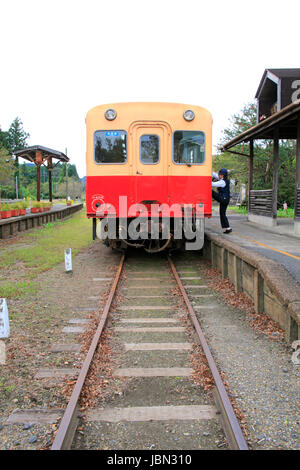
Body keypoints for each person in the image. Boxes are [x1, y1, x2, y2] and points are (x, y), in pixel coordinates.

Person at [212, 168, 232, 234]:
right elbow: (214, 174)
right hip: (226, 199)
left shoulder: (222, 182)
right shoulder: (224, 179)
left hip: (223, 199)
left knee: (210, 190)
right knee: (222, 214)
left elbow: (213, 184)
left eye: (219, 175)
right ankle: (228, 228)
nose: (218, 176)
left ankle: (209, 199)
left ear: (222, 175)